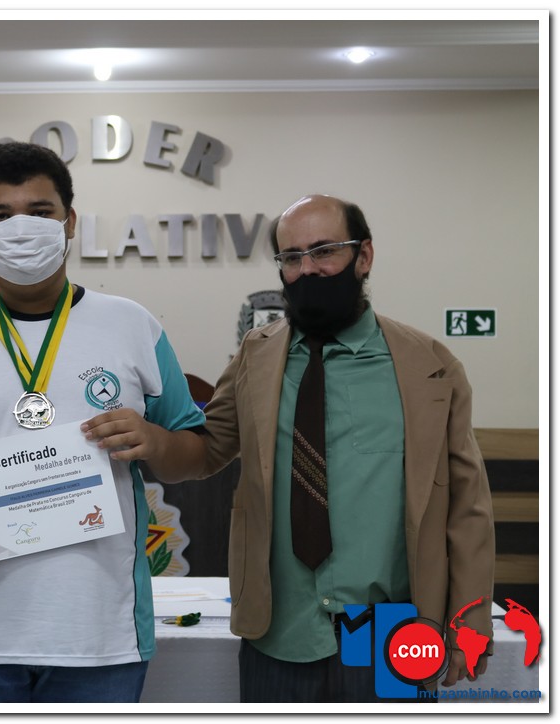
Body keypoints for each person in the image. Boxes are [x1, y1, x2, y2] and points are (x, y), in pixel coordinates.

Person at [0, 141, 207, 703]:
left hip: (99, 635)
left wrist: (154, 440)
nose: (20, 228)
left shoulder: (132, 327)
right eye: (0, 215)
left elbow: (194, 455)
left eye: (40, 211)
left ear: (69, 222)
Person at [199, 194, 495, 702]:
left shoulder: (430, 367)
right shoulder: (254, 356)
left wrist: (469, 621)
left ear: (364, 256)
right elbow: (208, 445)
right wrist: (149, 435)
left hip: (394, 629)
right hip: (280, 629)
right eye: (292, 257)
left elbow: (468, 507)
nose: (308, 269)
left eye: (324, 251)